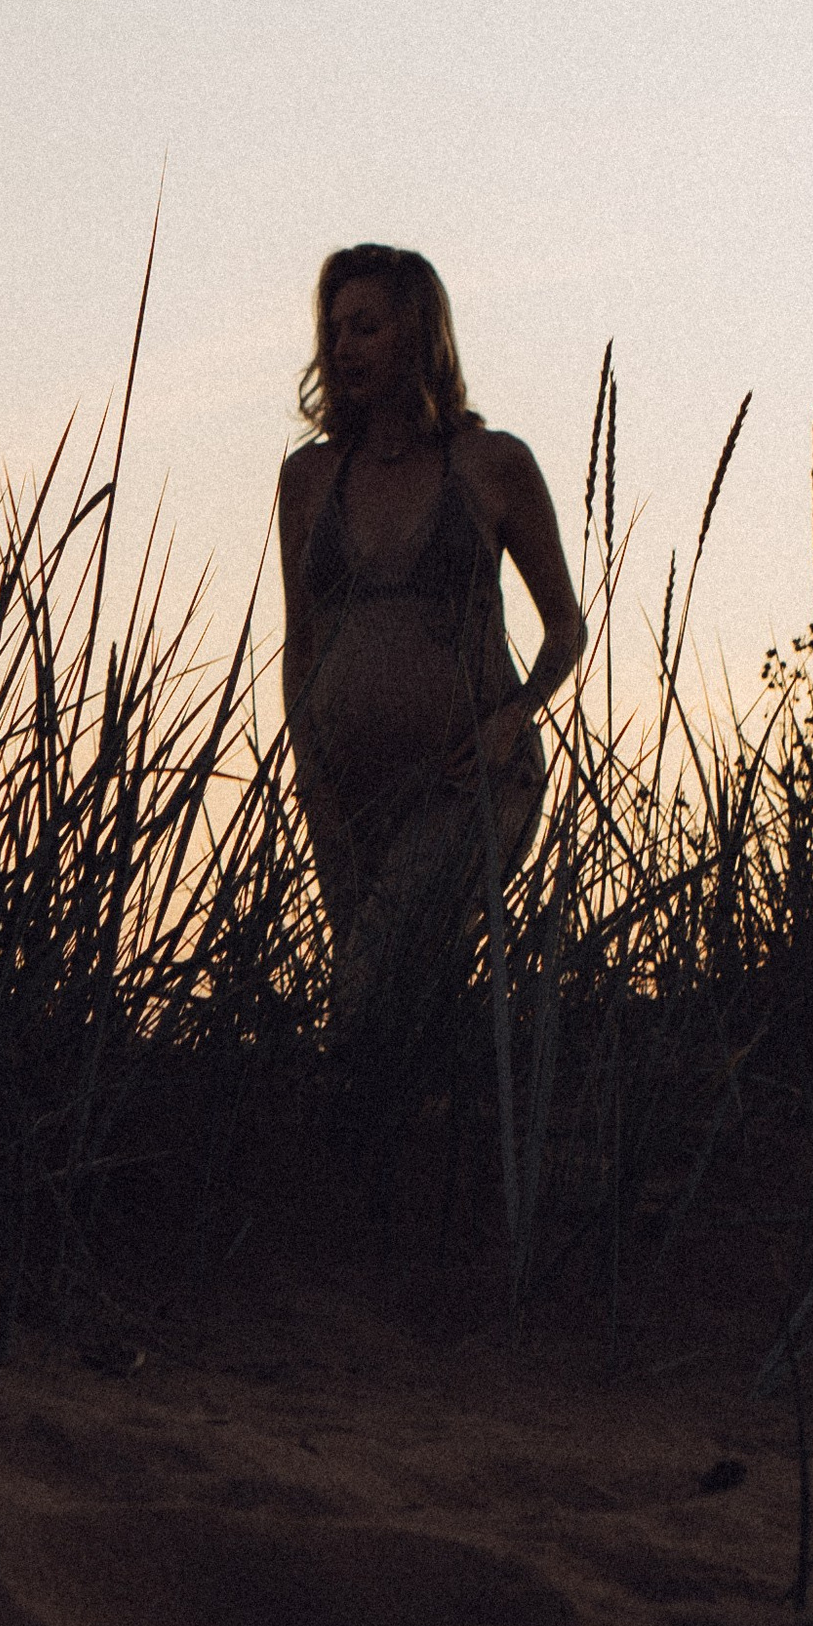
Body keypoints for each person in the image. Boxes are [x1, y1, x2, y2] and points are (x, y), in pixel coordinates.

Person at [277, 246, 586, 1056]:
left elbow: (566, 627)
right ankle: (429, 1143)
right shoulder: (308, 478)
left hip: (471, 779)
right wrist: (310, 766)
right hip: (349, 789)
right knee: (398, 988)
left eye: (367, 327)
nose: (344, 347)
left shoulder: (492, 465)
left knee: (376, 971)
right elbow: (300, 641)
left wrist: (513, 719)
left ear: (418, 335)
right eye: (335, 329)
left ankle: (341, 1121)